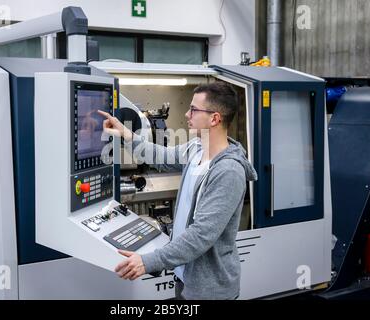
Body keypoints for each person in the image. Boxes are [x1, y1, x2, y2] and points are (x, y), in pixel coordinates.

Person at [98, 81, 257, 300]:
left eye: (193, 109)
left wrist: (148, 261)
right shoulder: (196, 149)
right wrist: (126, 134)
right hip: (184, 277)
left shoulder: (228, 172)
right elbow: (159, 156)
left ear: (214, 118)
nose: (186, 114)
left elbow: (200, 236)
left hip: (210, 291)